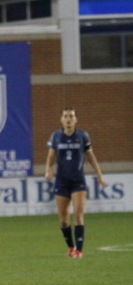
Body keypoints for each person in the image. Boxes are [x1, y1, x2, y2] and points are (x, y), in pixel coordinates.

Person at [44, 107, 105, 258]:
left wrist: (99, 174)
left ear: (76, 119)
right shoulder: (56, 136)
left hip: (78, 181)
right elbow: (51, 155)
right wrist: (48, 170)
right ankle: (71, 247)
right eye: (66, 116)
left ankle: (79, 250)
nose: (68, 119)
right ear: (61, 119)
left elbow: (90, 156)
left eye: (71, 116)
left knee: (78, 214)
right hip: (62, 181)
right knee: (64, 219)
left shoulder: (83, 136)